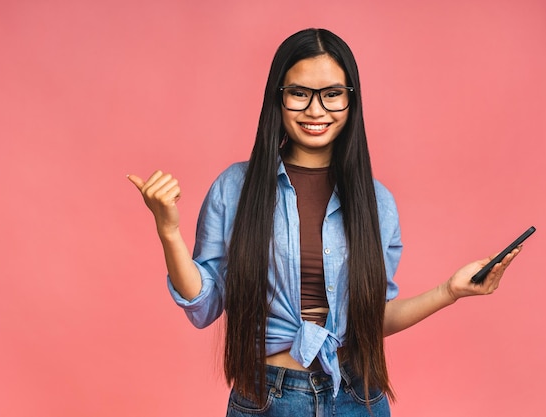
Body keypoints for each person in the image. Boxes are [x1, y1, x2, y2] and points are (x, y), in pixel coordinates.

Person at [127, 28, 521, 417]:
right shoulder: (236, 187)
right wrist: (168, 231)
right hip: (267, 397)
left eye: (332, 94)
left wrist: (450, 290)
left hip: (357, 396)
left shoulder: (376, 201)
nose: (316, 111)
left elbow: (370, 318)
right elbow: (204, 305)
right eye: (299, 93)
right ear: (277, 100)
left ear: (351, 101)